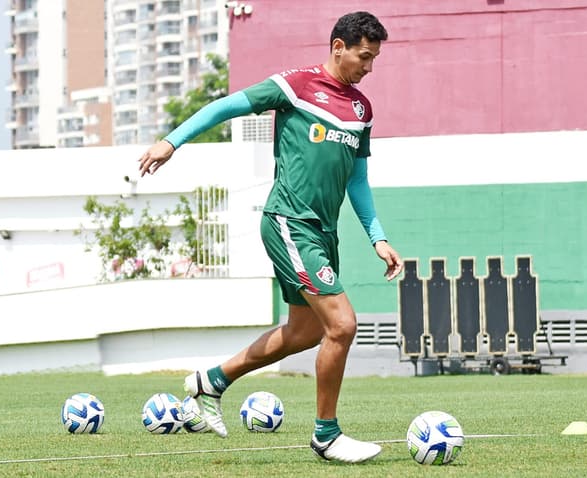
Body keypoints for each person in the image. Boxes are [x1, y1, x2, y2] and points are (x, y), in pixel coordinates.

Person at [137, 11, 402, 463]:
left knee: (306, 332)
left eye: (374, 59)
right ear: (338, 46)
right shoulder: (296, 85)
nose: (369, 67)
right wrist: (172, 141)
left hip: (322, 230)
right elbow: (226, 106)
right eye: (364, 56)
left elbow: (357, 179)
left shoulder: (361, 110)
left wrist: (377, 236)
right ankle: (326, 435)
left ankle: (212, 380)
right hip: (288, 221)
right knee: (342, 325)